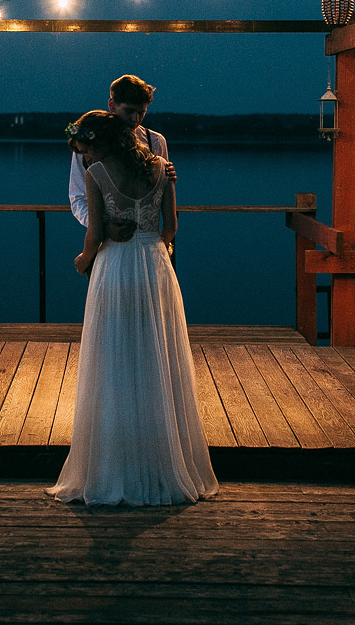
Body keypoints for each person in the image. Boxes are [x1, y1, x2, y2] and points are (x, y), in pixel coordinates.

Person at [48, 110, 217, 507]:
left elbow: (94, 232)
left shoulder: (98, 175)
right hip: (155, 266)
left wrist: (84, 259)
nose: (85, 158)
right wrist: (156, 245)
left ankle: (113, 465)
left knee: (114, 357)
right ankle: (162, 461)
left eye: (86, 149)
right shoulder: (161, 168)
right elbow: (171, 224)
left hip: (115, 266)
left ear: (102, 142)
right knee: (157, 357)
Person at [69, 75, 172, 243]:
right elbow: (78, 197)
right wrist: (103, 227)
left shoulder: (155, 142)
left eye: (141, 112)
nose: (135, 119)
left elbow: (162, 194)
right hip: (106, 244)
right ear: (112, 105)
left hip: (147, 242)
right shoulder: (90, 142)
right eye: (129, 111)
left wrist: (168, 177)